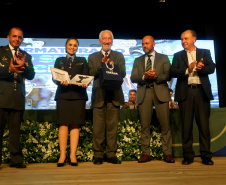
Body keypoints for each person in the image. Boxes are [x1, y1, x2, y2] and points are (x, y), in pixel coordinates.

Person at [170, 30, 215, 165]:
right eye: (182, 39)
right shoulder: (177, 55)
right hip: (186, 93)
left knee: (204, 127)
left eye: (186, 38)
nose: (183, 41)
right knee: (186, 126)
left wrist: (202, 68)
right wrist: (187, 70)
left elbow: (212, 67)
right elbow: (172, 71)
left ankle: (206, 156)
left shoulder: (205, 52)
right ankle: (188, 156)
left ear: (194, 39)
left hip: (201, 92)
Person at [131, 35, 175, 163]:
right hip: (145, 93)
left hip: (160, 91)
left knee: (165, 125)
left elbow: (168, 75)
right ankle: (145, 153)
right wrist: (144, 77)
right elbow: (134, 77)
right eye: (143, 43)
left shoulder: (164, 58)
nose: (144, 45)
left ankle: (168, 153)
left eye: (147, 43)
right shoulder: (138, 60)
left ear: (153, 44)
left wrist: (156, 76)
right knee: (145, 125)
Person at [88, 30, 126, 165]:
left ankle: (111, 154)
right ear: (100, 41)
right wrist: (101, 66)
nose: (107, 41)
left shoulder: (119, 56)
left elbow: (123, 72)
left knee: (112, 127)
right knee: (98, 128)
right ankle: (98, 155)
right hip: (99, 96)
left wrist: (111, 66)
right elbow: (90, 73)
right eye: (104, 39)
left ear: (112, 41)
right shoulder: (92, 57)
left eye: (109, 38)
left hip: (114, 95)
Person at [0, 27, 35, 168]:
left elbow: (31, 75)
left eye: (20, 37)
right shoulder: (1, 51)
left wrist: (24, 67)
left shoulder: (26, 55)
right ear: (8, 37)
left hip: (17, 97)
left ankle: (15, 159)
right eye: (14, 36)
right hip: (2, 97)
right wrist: (9, 69)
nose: (17, 39)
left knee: (15, 131)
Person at [53, 37, 89, 167]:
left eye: (74, 45)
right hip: (63, 94)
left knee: (75, 124)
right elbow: (55, 78)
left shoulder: (82, 60)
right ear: (66, 46)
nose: (72, 47)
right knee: (63, 124)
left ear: (77, 47)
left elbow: (86, 76)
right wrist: (58, 81)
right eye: (70, 44)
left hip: (78, 96)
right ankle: (62, 155)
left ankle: (72, 155)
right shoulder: (59, 60)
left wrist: (85, 83)